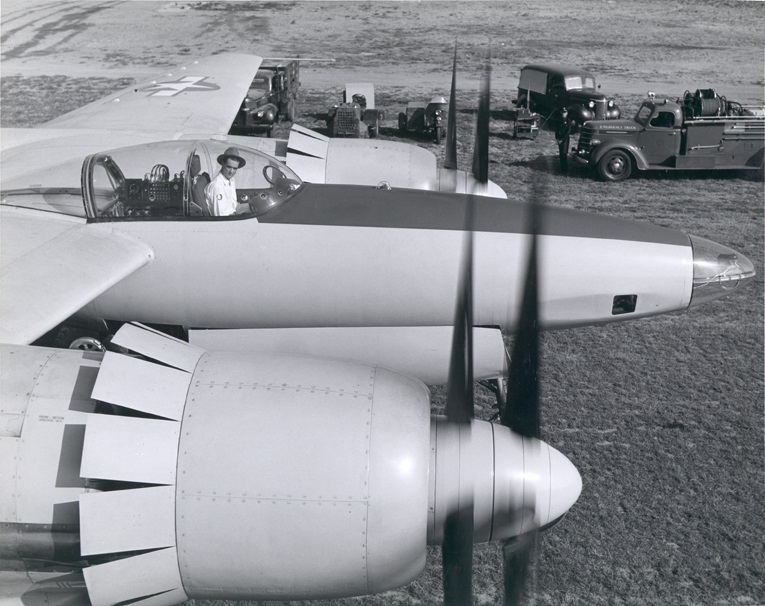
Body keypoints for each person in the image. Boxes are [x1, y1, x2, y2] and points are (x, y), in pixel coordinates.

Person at [204, 147, 251, 216]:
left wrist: (251, 205)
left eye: (235, 168)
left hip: (233, 216)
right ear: (222, 163)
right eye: (229, 167)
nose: (231, 172)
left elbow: (233, 205)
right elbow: (220, 217)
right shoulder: (217, 186)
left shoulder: (231, 180)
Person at [555, 108, 571, 174]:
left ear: (567, 113)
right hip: (560, 139)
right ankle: (562, 168)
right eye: (562, 112)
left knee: (564, 154)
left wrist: (562, 139)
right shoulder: (559, 120)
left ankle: (565, 169)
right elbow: (556, 130)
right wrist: (557, 138)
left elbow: (568, 132)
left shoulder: (568, 121)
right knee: (561, 154)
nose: (563, 114)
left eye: (565, 112)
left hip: (565, 139)